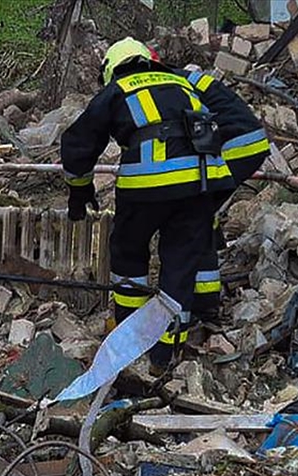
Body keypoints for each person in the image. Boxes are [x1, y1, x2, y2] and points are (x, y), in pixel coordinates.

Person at [61, 38, 269, 374]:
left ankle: (129, 332)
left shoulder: (117, 89)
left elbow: (78, 143)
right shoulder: (180, 81)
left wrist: (78, 190)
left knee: (129, 252)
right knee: (180, 264)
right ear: (149, 61)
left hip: (145, 187)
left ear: (113, 69)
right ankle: (165, 355)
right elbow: (234, 123)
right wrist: (217, 185)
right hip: (196, 186)